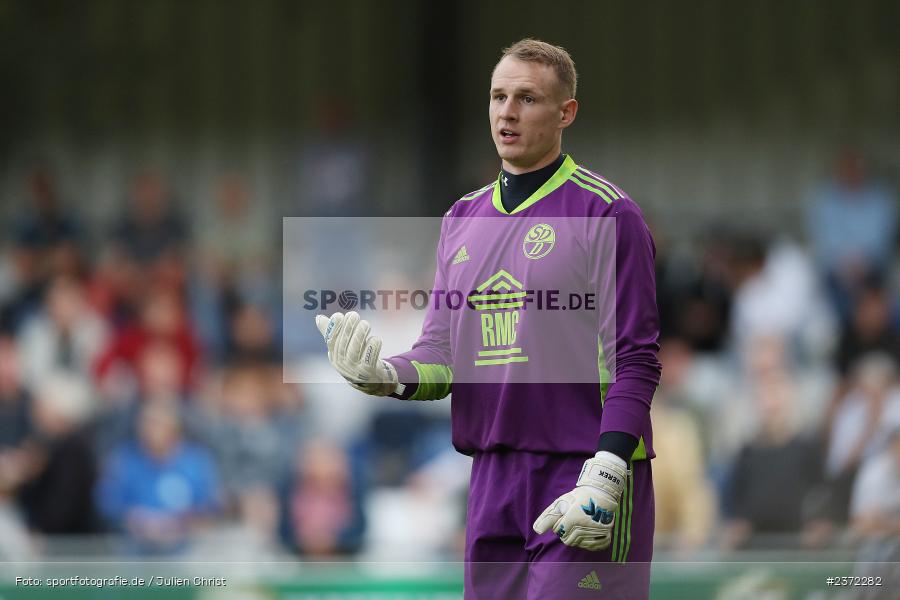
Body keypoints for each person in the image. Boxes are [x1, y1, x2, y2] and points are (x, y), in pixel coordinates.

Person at [314, 39, 661, 599]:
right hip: (492, 480)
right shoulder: (461, 218)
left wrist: (608, 471)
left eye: (527, 98)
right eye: (499, 96)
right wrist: (385, 375)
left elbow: (636, 360)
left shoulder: (607, 213)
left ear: (566, 113)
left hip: (583, 472)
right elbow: (442, 355)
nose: (507, 112)